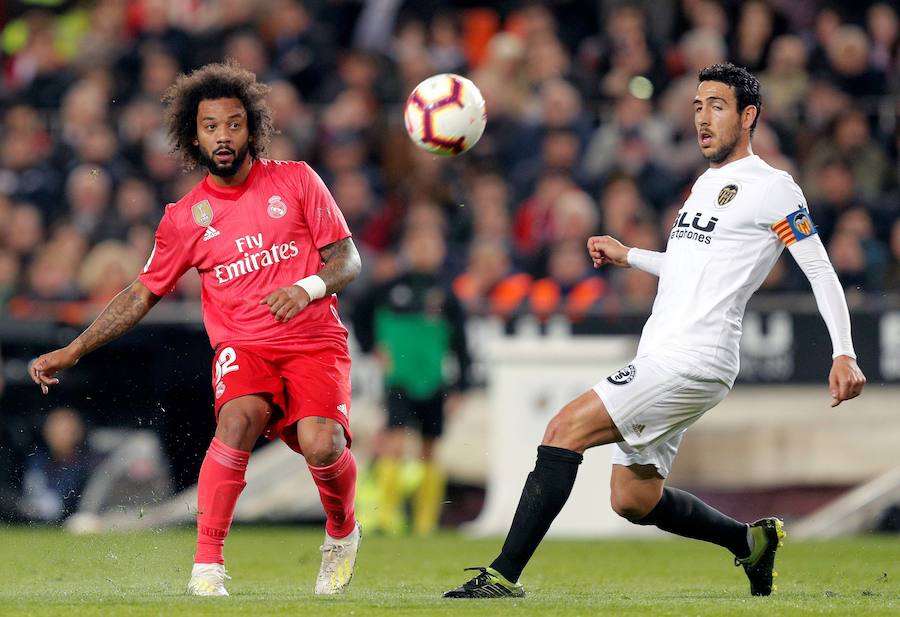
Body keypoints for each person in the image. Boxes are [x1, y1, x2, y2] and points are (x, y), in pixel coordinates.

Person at [443, 63, 866, 599]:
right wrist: (631, 256)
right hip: (667, 350)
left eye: (717, 105)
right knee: (633, 498)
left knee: (562, 430)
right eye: (697, 106)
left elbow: (820, 269)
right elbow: (691, 266)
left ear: (749, 115)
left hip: (695, 356)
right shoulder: (705, 185)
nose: (703, 118)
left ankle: (502, 576)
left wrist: (843, 352)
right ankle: (749, 541)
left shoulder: (774, 188)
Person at [29, 61, 363, 597]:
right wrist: (75, 348)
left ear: (251, 128)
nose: (223, 136)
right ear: (194, 135)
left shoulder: (298, 181)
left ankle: (343, 532)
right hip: (243, 347)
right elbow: (140, 293)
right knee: (237, 419)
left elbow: (347, 261)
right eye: (211, 126)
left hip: (312, 340)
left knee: (322, 445)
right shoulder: (185, 217)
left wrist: (306, 289)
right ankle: (207, 567)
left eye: (233, 123)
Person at [353, 226, 470, 535]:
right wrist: (370, 347)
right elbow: (358, 310)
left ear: (441, 251)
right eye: (419, 245)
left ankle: (424, 523)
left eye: (431, 245)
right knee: (394, 441)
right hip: (400, 378)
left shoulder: (447, 294)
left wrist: (461, 387)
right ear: (408, 249)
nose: (425, 252)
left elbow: (462, 344)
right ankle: (389, 517)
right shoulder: (389, 288)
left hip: (434, 379)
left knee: (430, 448)